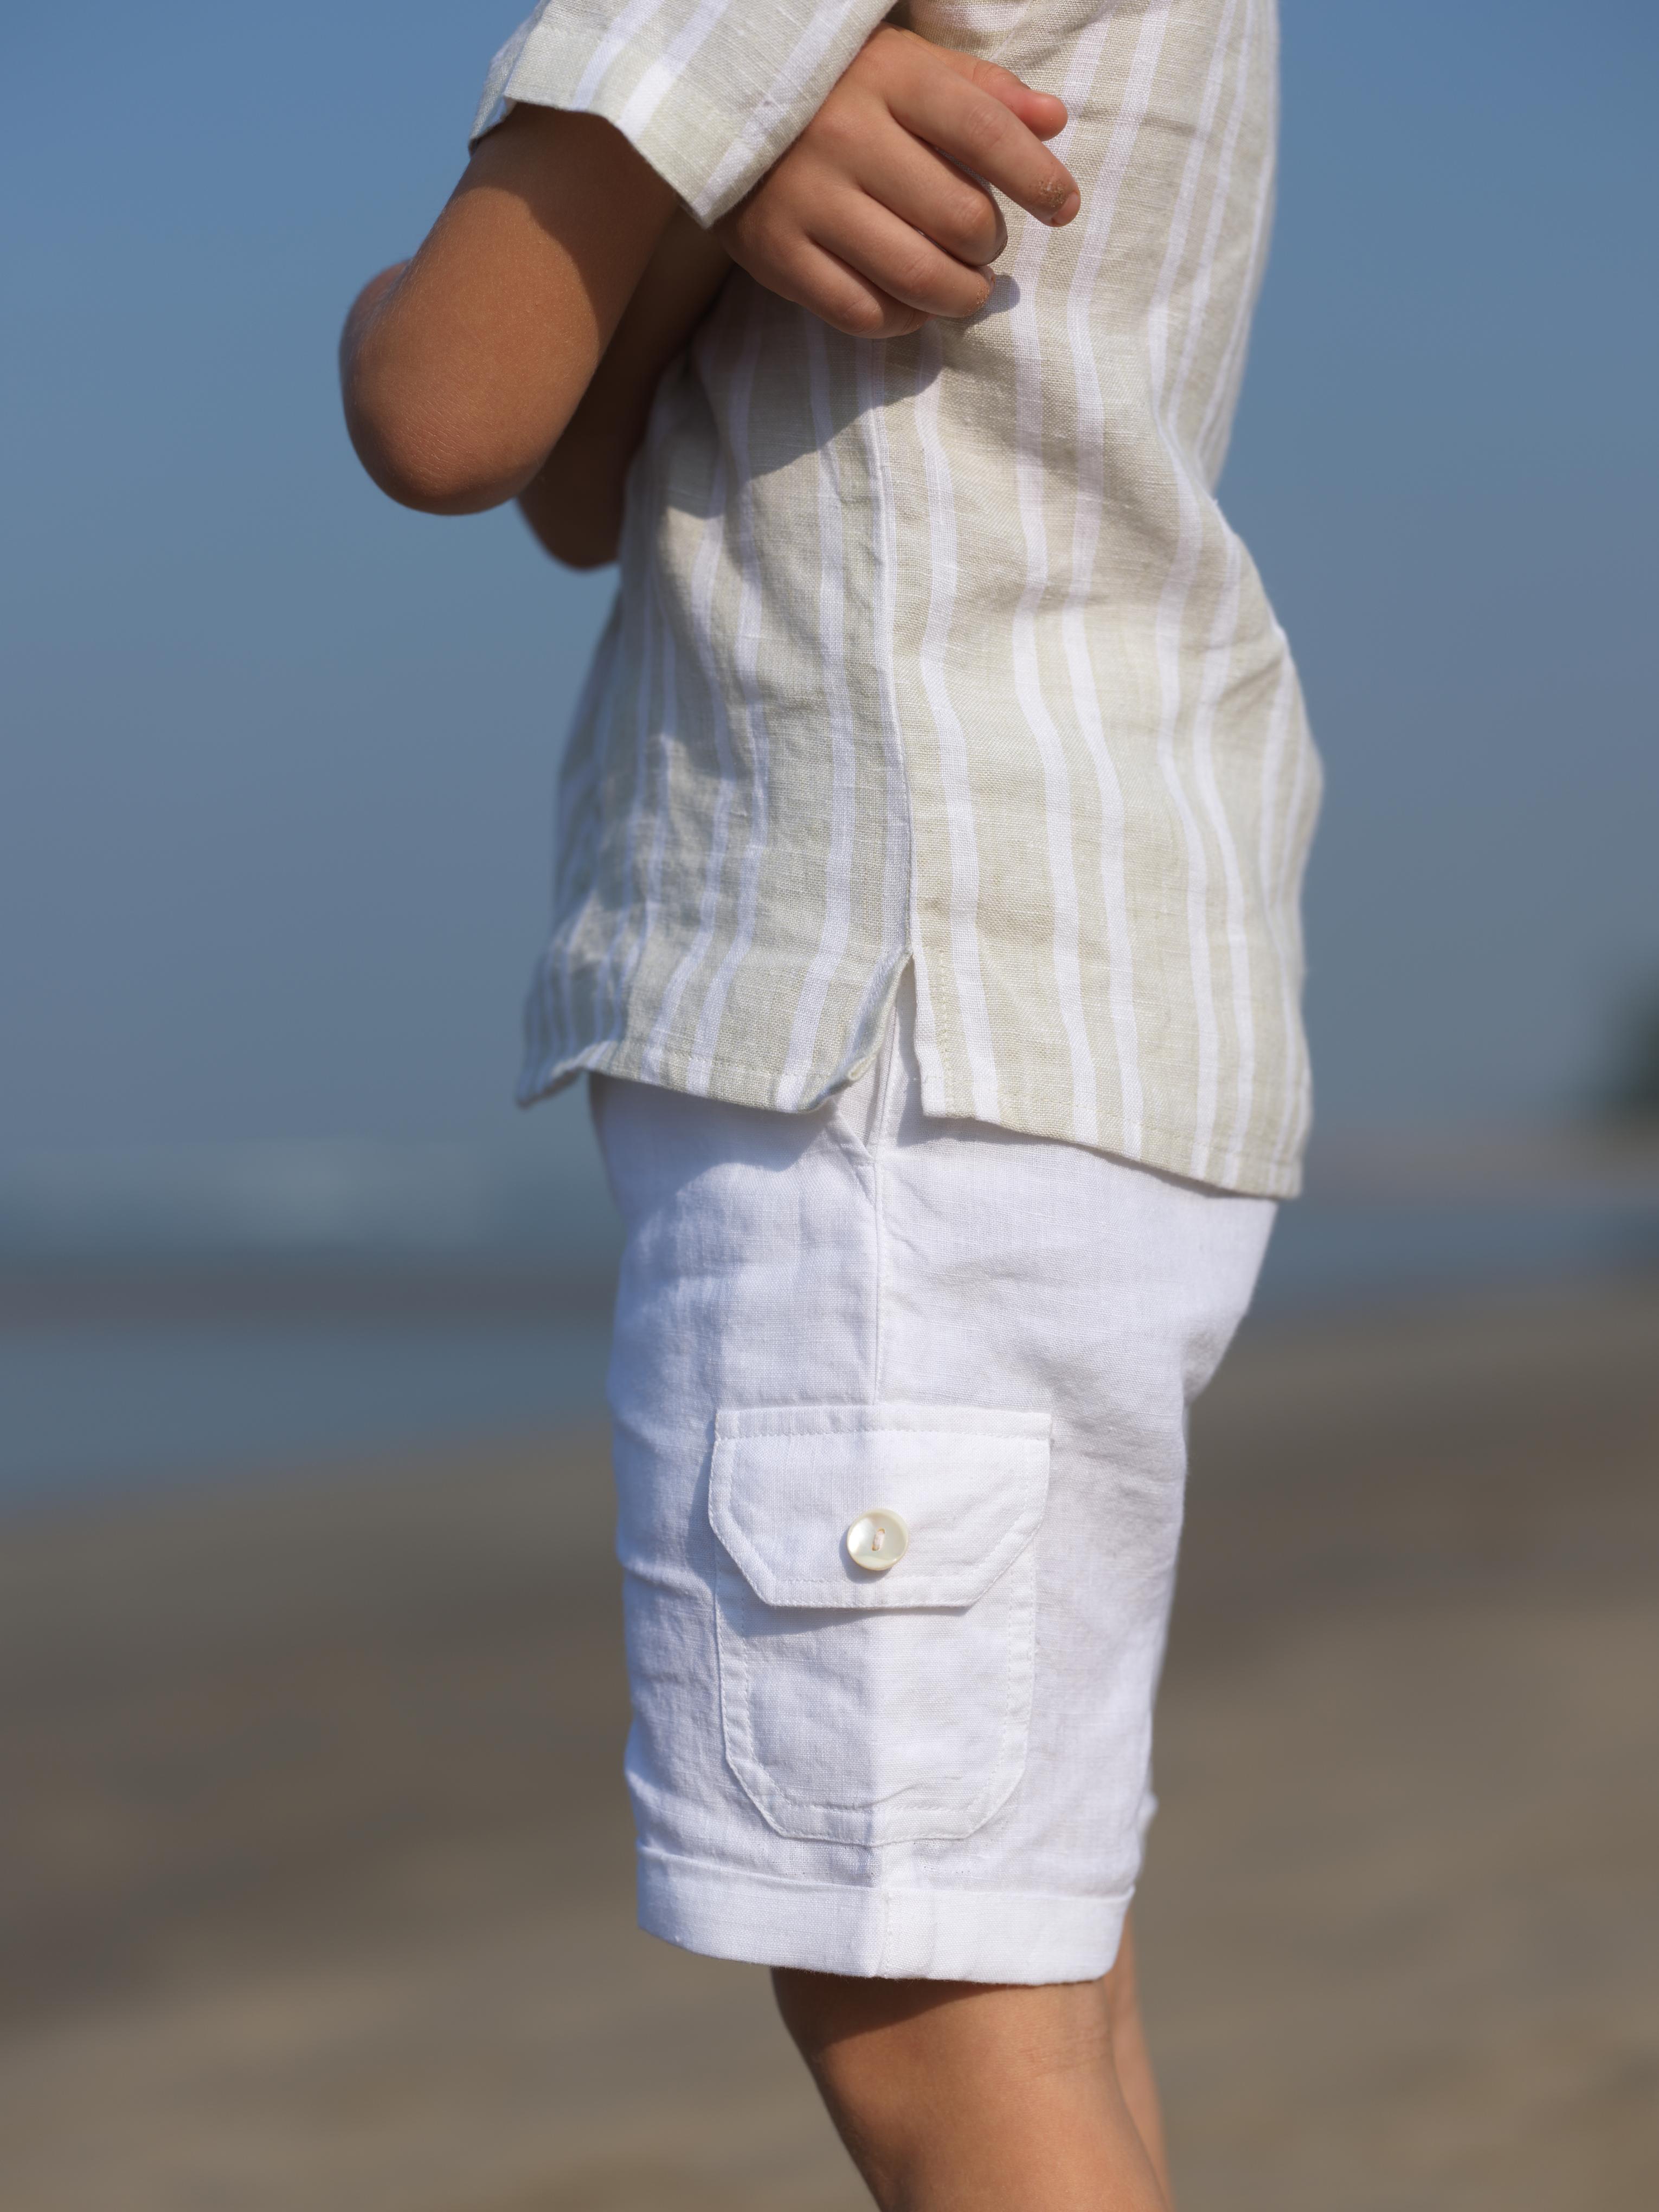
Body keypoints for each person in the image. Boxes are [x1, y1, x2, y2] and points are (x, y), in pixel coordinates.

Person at [340, 5, 1319, 2205]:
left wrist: (673, 150)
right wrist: (718, 180)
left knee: (935, 2040)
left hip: (882, 1021)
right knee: (1025, 1990)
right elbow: (595, 481)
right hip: (1072, 976)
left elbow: (450, 405)